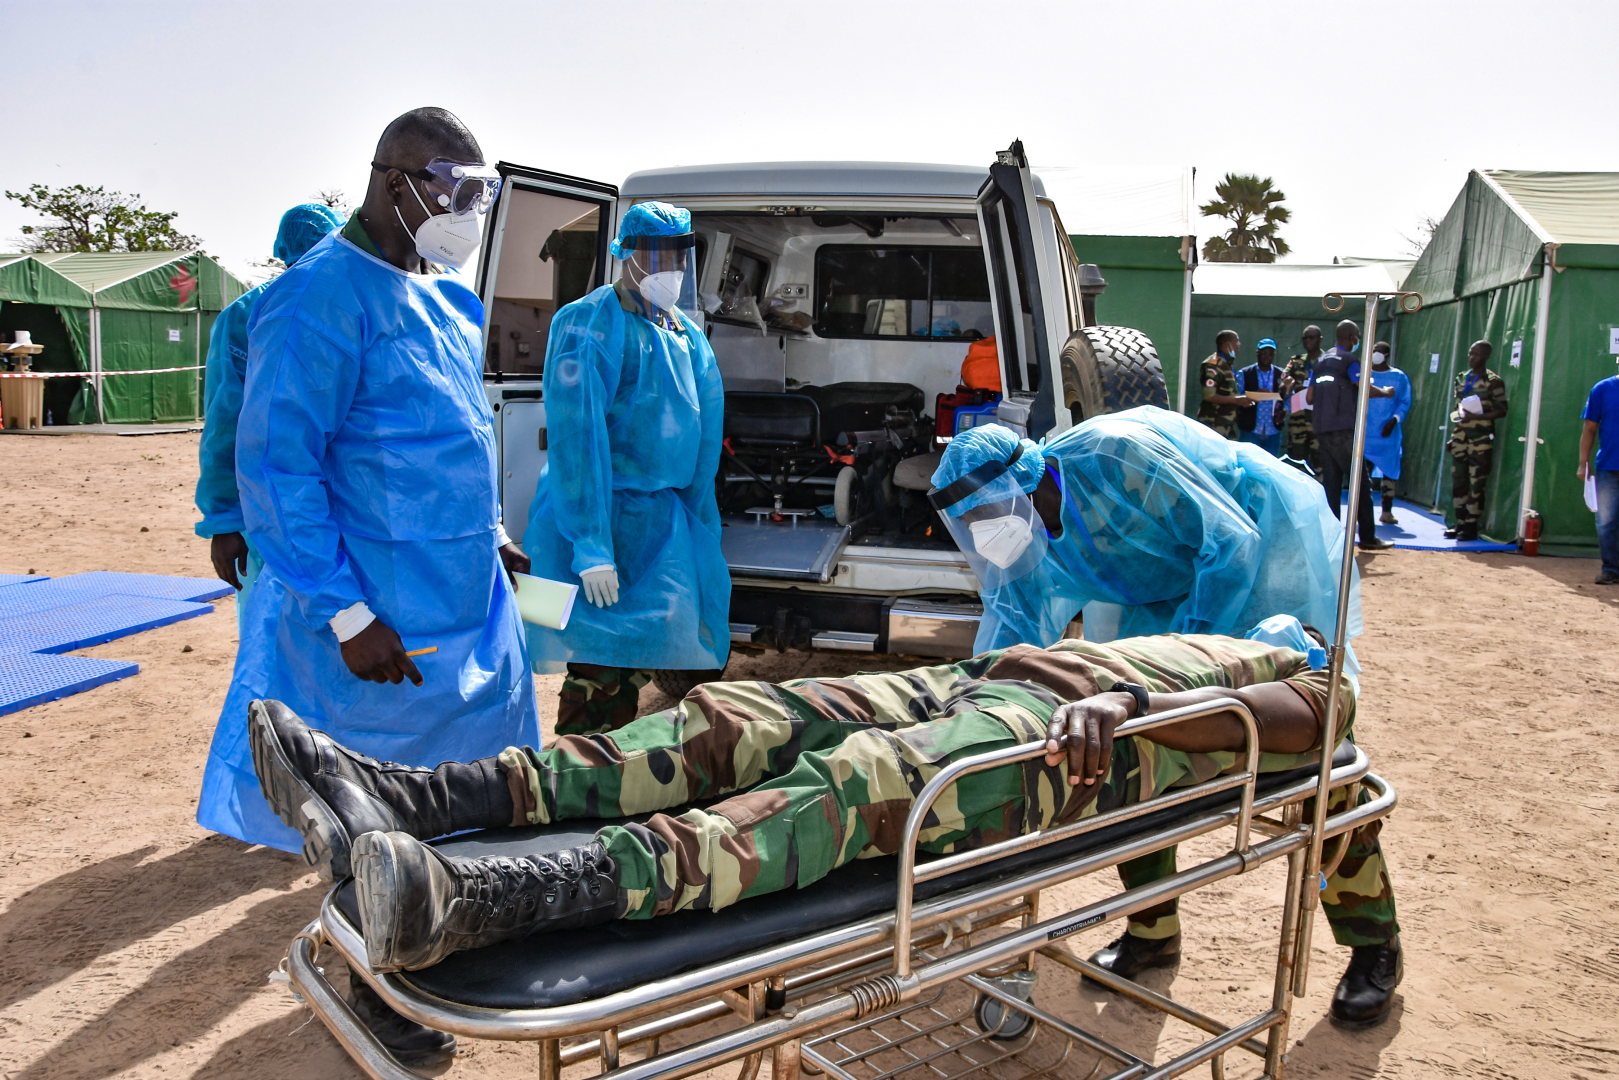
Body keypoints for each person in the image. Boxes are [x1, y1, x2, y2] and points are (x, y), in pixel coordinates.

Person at [249, 620, 1403, 1029]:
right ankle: (415, 798)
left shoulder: (1294, 668)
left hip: (1065, 743)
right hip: (1001, 682)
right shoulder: (1188, 622)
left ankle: (501, 894)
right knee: (736, 719)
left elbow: (1304, 723)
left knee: (866, 784)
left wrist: (1136, 704)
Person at [197, 108, 540, 1066]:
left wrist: (494, 534)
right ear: (394, 178)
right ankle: (371, 980)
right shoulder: (318, 300)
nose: (468, 212)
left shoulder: (440, 295)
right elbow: (279, 470)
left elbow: (454, 438)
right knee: (378, 810)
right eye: (454, 190)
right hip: (384, 619)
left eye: (481, 193)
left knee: (471, 796)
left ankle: (436, 958)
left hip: (466, 600)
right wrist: (346, 612)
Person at [521, 201, 728, 736]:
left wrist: (700, 521)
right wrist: (591, 546)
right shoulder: (589, 323)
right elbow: (577, 437)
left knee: (640, 661)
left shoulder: (686, 335)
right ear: (627, 253)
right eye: (659, 255)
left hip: (661, 525)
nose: (672, 270)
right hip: (597, 514)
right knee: (595, 667)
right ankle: (571, 782)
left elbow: (702, 443)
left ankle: (610, 778)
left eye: (681, 257)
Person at [928, 409, 1359, 656]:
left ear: (1017, 484)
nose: (983, 533)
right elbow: (1013, 621)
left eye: (984, 515)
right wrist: (984, 687)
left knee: (1277, 664)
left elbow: (1233, 545)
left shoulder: (1115, 455)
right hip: (1159, 589)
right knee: (1146, 687)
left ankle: (1335, 787)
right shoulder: (1030, 535)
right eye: (970, 526)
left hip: (1258, 550)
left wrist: (1186, 649)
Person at [194, 203, 345, 624]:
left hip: (324, 502)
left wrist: (226, 521)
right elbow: (228, 423)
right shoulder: (251, 316)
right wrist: (226, 521)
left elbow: (224, 422)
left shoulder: (343, 309)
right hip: (273, 502)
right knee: (275, 625)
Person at [1309, 320, 1395, 551]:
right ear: (1351, 338)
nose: (1357, 341)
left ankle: (1332, 539)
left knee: (1332, 487)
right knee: (1360, 485)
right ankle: (1367, 538)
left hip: (1322, 430)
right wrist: (1386, 392)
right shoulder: (1349, 360)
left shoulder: (1320, 362)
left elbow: (1309, 397)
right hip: (1342, 431)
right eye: (1356, 337)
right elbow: (1363, 387)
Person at [1445, 340, 1509, 541]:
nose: (1472, 358)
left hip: (1480, 439)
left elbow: (1502, 410)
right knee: (1459, 480)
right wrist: (1454, 435)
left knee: (1476, 482)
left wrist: (1478, 418)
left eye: (1477, 355)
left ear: (1486, 356)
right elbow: (1459, 409)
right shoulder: (1462, 378)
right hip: (1460, 436)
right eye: (1470, 354)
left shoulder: (1493, 381)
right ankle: (1460, 522)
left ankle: (1471, 525)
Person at [1577, 356, 1619, 584]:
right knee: (1606, 521)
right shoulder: (1602, 389)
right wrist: (1583, 462)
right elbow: (1590, 428)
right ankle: (1611, 569)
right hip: (1609, 467)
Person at [1363, 342, 1412, 525]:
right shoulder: (1363, 374)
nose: (1376, 354)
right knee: (1362, 476)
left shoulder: (1398, 377)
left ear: (1387, 355)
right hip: (1366, 435)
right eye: (1373, 350)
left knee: (1390, 473)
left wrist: (1394, 420)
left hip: (1388, 435)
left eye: (1380, 351)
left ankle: (1386, 511)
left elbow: (1404, 402)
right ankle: (1362, 513)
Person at [1282, 326, 1325, 472]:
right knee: (1296, 463)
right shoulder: (1296, 362)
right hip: (1298, 422)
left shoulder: (1327, 361)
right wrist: (1286, 384)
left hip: (1320, 421)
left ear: (1320, 339)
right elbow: (1284, 378)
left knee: (1321, 464)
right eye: (1305, 338)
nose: (1308, 341)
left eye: (1312, 337)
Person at [1195, 329, 1252, 440]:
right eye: (1237, 341)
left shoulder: (1226, 364)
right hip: (1213, 424)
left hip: (1226, 425)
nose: (1239, 344)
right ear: (1228, 344)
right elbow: (1209, 395)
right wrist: (1237, 400)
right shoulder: (1214, 365)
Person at [1236, 338, 1285, 455]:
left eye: (1270, 353)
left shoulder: (1282, 374)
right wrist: (1255, 394)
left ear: (1274, 355)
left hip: (1273, 430)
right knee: (1248, 464)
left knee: (1271, 468)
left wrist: (1285, 411)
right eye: (1263, 353)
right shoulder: (1245, 373)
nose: (1266, 356)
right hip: (1251, 429)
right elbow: (1237, 396)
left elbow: (1288, 397)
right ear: (1257, 353)